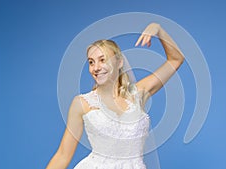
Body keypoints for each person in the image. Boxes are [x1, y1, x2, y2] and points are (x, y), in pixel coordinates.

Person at [46, 22, 185, 169]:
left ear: (119, 62)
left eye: (102, 60)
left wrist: (158, 29)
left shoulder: (138, 94)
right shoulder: (82, 103)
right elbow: (63, 155)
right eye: (91, 62)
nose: (96, 68)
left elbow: (176, 60)